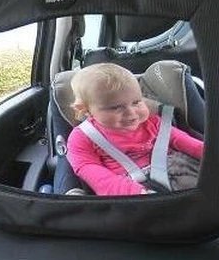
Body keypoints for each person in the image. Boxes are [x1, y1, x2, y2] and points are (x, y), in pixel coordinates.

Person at [65, 62, 205, 196]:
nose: (131, 113)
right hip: (123, 185)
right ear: (85, 110)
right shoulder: (83, 137)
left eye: (136, 102)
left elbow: (186, 143)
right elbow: (91, 171)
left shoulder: (153, 122)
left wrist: (212, 155)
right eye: (115, 108)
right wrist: (135, 192)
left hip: (177, 170)